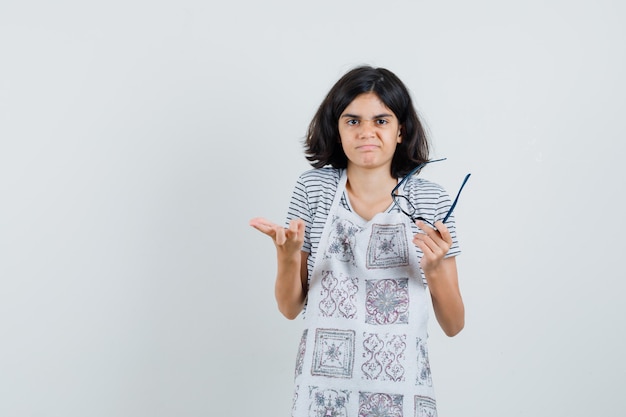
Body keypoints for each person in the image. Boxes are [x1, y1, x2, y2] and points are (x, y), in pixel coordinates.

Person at [250, 65, 465, 417]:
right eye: (353, 121)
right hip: (323, 392)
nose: (367, 132)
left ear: (401, 131)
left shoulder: (430, 200)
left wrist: (436, 268)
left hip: (403, 390)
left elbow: (454, 325)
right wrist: (287, 257)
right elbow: (290, 309)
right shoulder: (313, 190)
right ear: (336, 130)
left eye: (381, 121)